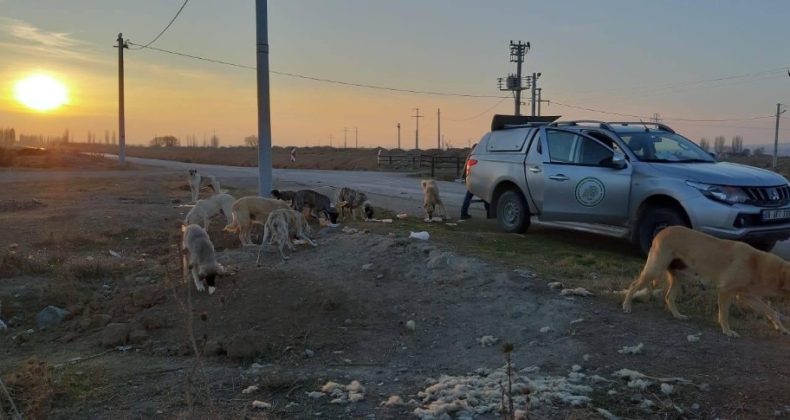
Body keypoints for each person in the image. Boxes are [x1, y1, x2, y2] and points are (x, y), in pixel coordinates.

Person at [460, 144, 489, 219]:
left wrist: (464, 178)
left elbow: (465, 169)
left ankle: (463, 212)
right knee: (486, 196)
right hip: (477, 179)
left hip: (472, 178)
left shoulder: (471, 156)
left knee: (470, 196)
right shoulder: (477, 157)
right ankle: (489, 213)